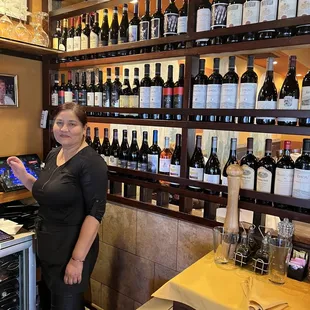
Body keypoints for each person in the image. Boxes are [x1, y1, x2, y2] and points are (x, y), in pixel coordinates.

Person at [7, 102, 108, 310]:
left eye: (72, 124)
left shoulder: (92, 163)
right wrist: (23, 174)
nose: (64, 129)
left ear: (84, 129)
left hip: (72, 248)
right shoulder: (55, 154)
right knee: (48, 303)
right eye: (59, 123)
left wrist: (77, 260)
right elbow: (45, 192)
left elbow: (94, 214)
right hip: (50, 247)